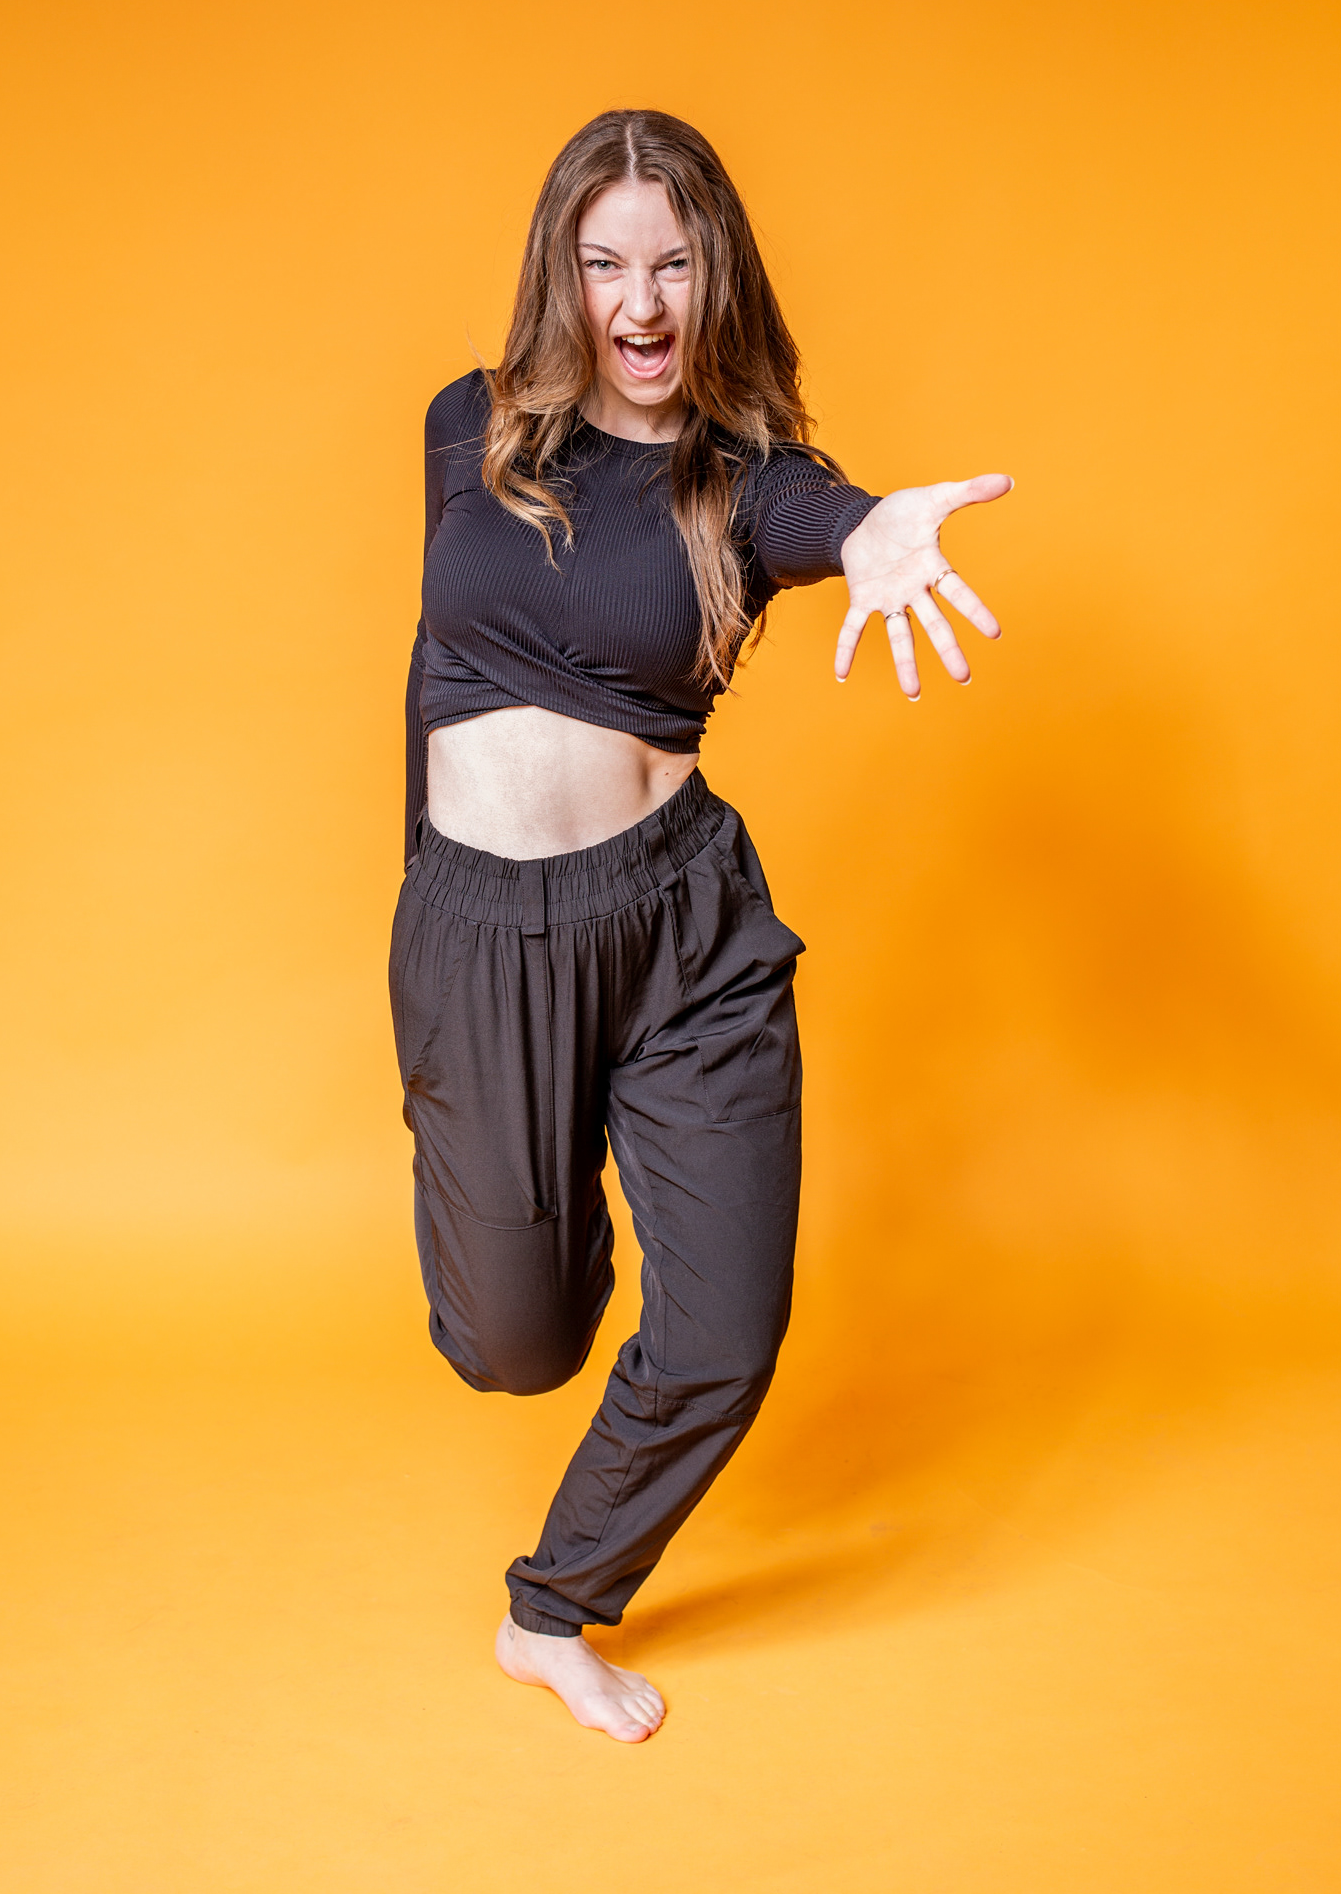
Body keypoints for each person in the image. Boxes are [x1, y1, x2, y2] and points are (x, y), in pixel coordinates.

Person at [390, 109, 1010, 1742]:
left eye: (672, 264)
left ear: (714, 273)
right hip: (485, 940)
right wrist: (426, 906)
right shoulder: (467, 430)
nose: (643, 303)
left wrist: (876, 532)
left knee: (727, 1332)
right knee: (516, 1344)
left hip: (684, 932)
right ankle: (532, 1186)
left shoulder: (742, 487)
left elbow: (833, 520)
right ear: (565, 276)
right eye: (608, 265)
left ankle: (552, 1611)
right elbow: (431, 675)